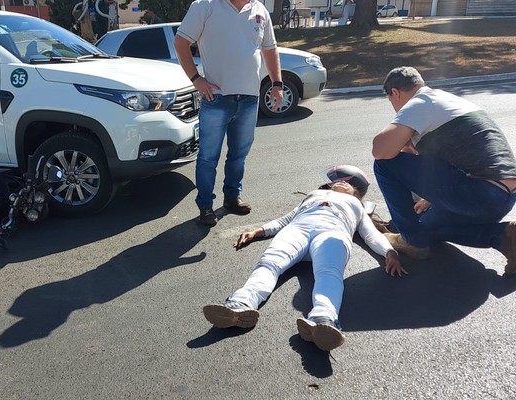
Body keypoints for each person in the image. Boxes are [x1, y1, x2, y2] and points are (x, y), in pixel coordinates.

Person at [203, 166, 405, 352]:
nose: (344, 183)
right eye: (341, 180)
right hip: (297, 229)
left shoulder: (357, 206)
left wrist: (389, 252)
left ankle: (324, 320)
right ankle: (239, 304)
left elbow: (370, 235)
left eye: (351, 184)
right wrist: (259, 231)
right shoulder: (314, 194)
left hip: (332, 233)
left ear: (357, 193)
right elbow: (287, 218)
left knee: (329, 274)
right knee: (269, 263)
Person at [372, 66, 516, 275]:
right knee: (427, 226)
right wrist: (432, 198)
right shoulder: (447, 101)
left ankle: (411, 241)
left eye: (391, 101)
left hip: (480, 191)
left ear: (395, 93)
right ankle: (504, 237)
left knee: (385, 165)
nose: (395, 108)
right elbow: (456, 157)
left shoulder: (420, 102)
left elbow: (380, 150)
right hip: (503, 197)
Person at [174, 0, 284, 226]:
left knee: (238, 154)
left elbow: (269, 49)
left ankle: (232, 198)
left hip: (249, 98)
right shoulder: (205, 6)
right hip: (217, 98)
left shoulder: (260, 10)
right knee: (208, 158)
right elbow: (180, 42)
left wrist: (277, 83)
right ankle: (205, 206)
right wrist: (197, 80)